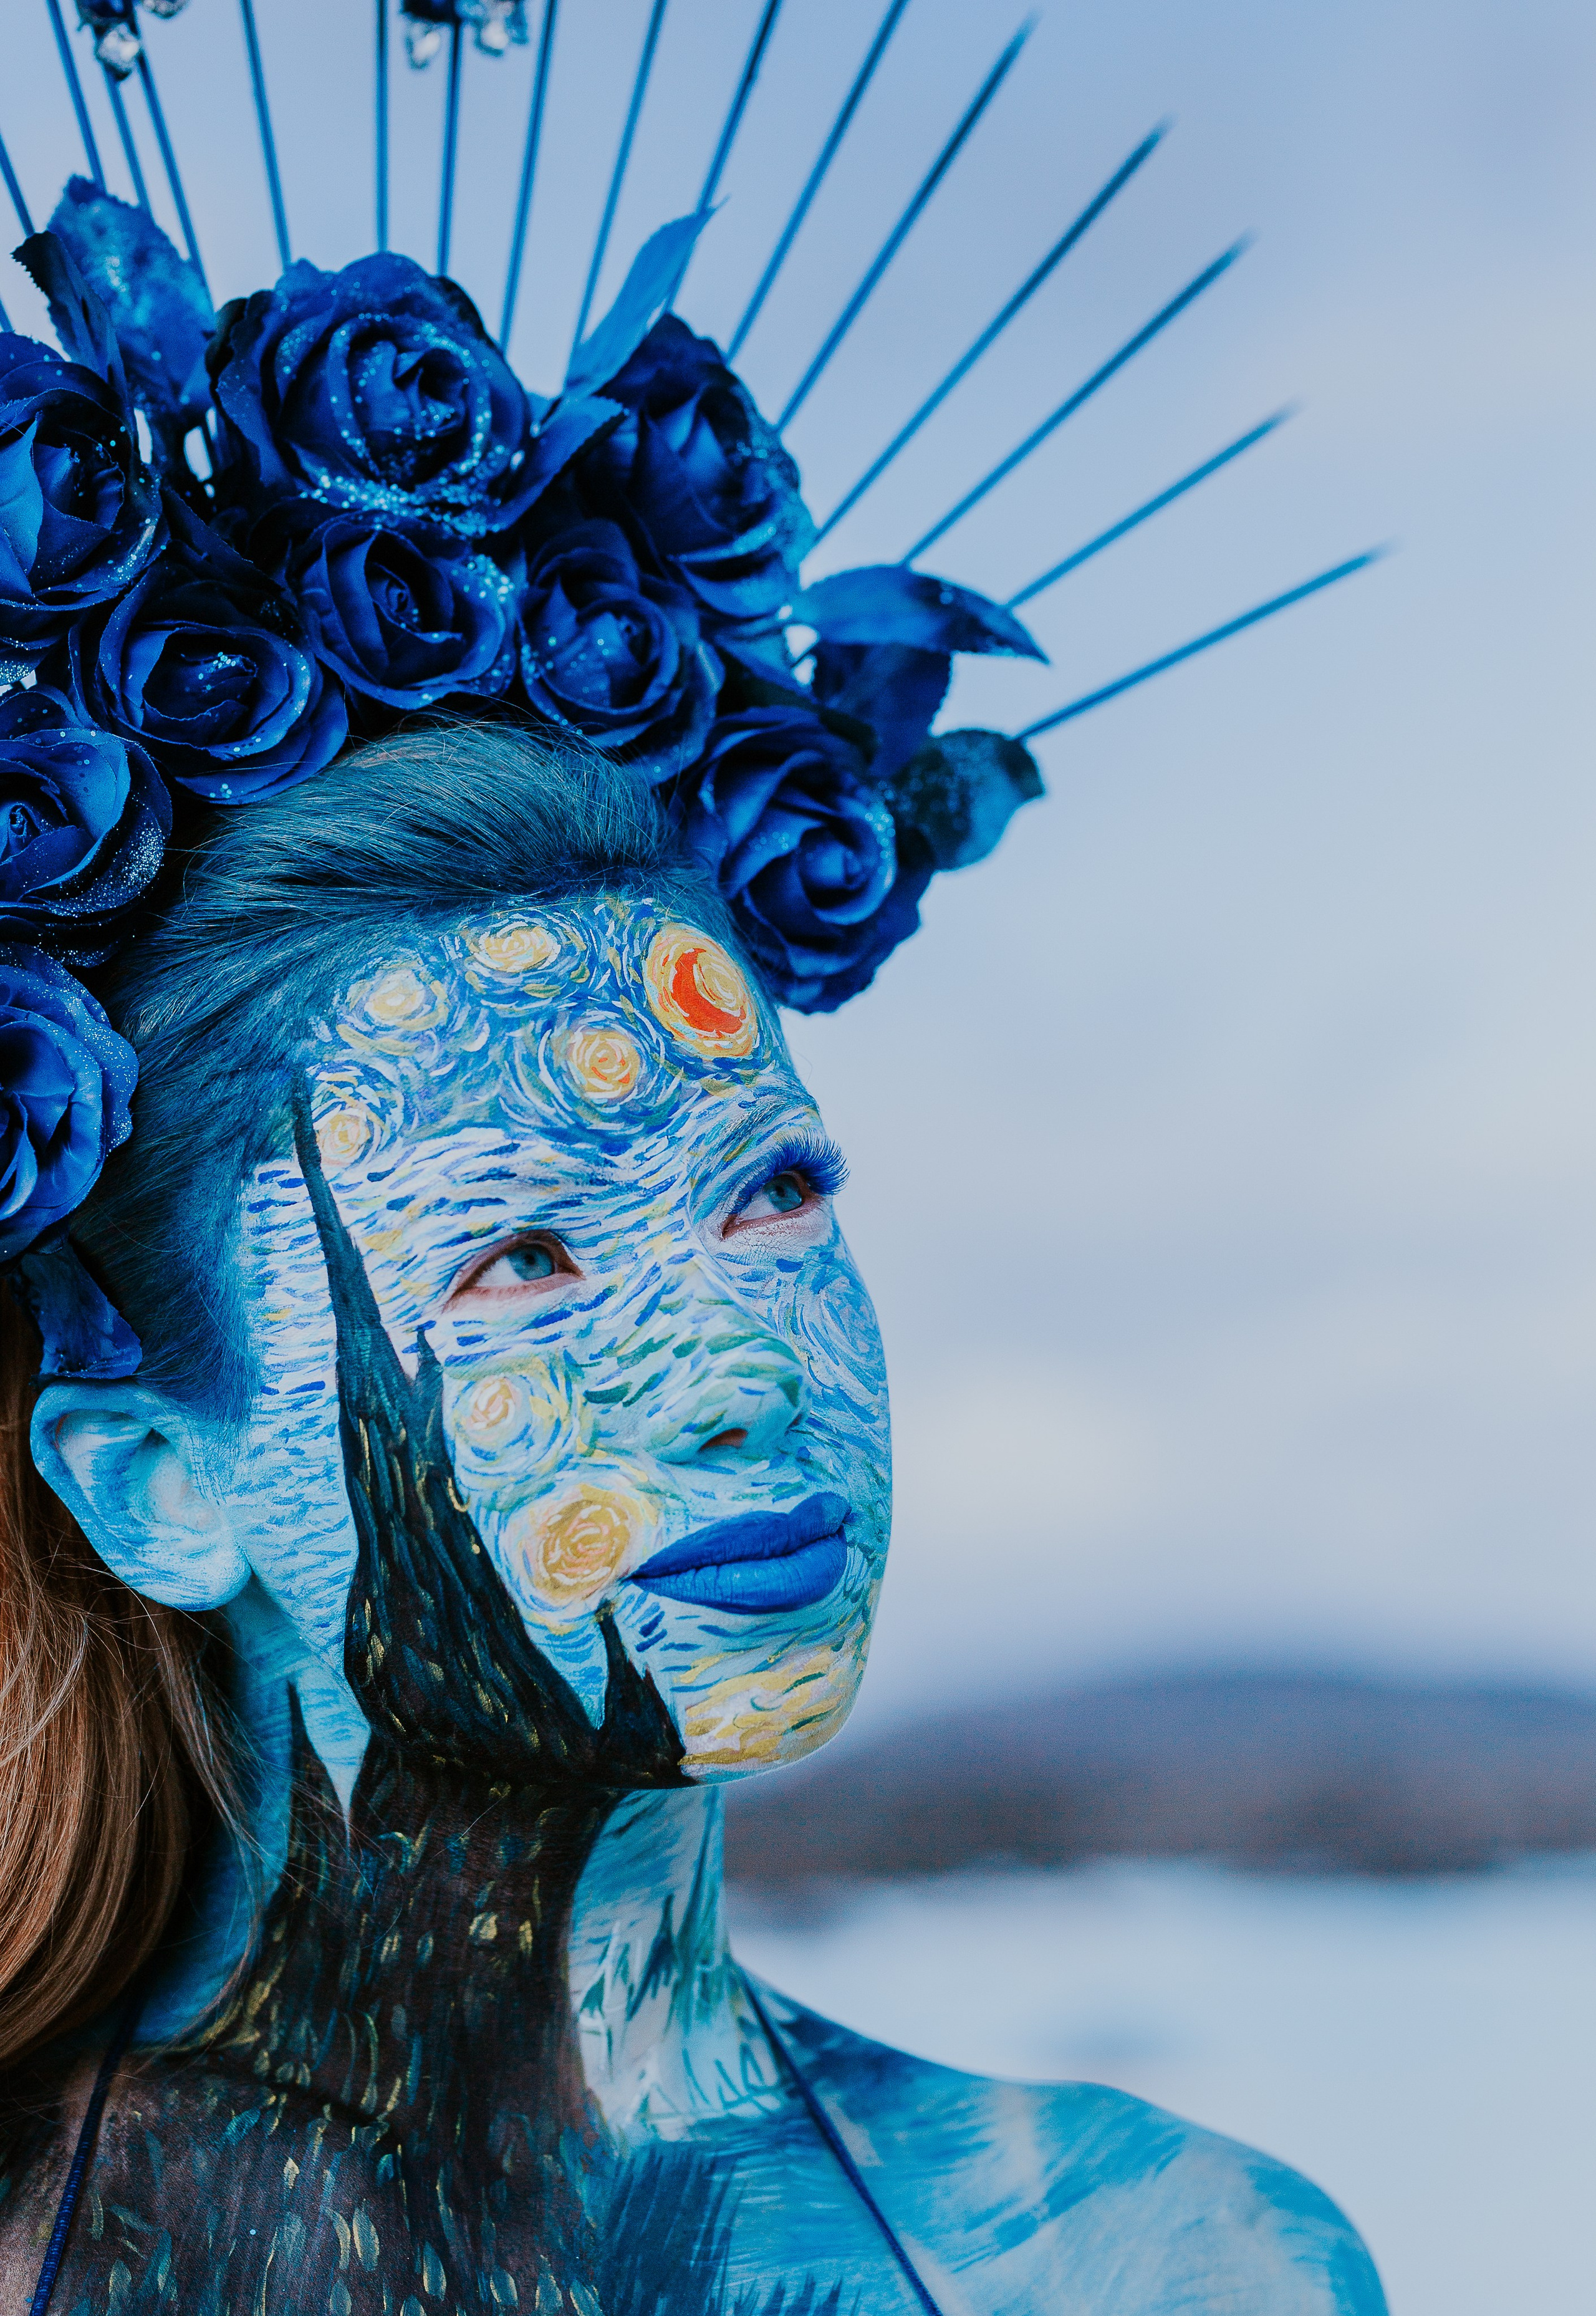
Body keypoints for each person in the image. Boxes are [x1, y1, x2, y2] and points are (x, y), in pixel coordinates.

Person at [0, 721, 1385, 2313]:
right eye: (520, 1258)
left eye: (772, 1193)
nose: (742, 1365)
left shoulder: (1165, 2262)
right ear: (157, 1488)